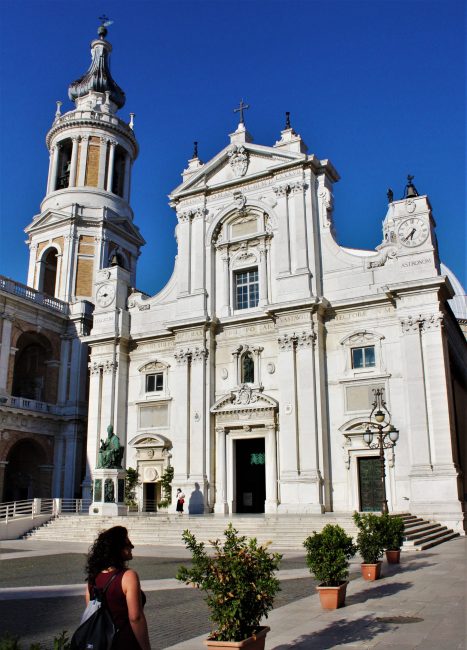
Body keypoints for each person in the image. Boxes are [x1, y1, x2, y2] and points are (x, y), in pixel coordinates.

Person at [84, 526, 150, 650]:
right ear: (117, 548)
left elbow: (92, 613)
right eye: (127, 543)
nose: (132, 546)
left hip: (102, 643)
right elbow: (136, 618)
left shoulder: (93, 578)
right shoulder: (128, 576)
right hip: (125, 642)